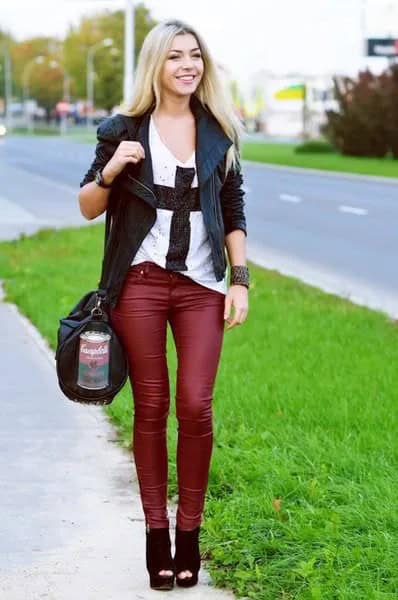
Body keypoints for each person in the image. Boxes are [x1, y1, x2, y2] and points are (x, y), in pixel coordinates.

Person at [78, 18, 249, 591]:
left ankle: (190, 532)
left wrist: (240, 279)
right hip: (142, 286)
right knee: (151, 408)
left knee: (196, 404)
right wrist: (112, 168)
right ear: (156, 64)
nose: (188, 65)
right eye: (175, 56)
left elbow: (233, 205)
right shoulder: (123, 129)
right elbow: (87, 206)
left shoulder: (218, 130)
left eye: (195, 55)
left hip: (201, 287)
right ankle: (156, 534)